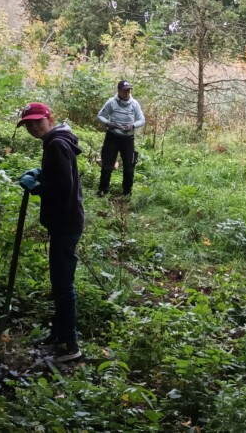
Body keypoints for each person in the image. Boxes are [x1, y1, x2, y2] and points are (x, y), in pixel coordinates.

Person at [16, 102, 85, 362]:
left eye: (37, 121)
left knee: (63, 285)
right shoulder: (57, 140)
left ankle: (70, 345)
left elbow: (62, 186)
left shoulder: (56, 143)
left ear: (49, 118)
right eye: (28, 124)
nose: (33, 127)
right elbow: (59, 174)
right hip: (65, 221)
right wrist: (43, 173)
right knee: (58, 282)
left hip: (66, 223)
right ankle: (57, 334)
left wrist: (36, 186)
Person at [96, 80, 145, 196]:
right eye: (125, 90)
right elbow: (100, 116)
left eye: (129, 90)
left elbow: (142, 120)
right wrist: (108, 123)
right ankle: (103, 190)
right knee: (107, 166)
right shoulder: (111, 102)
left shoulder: (134, 104)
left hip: (128, 139)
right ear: (119, 91)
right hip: (112, 137)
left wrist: (132, 125)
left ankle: (127, 193)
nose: (127, 93)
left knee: (129, 167)